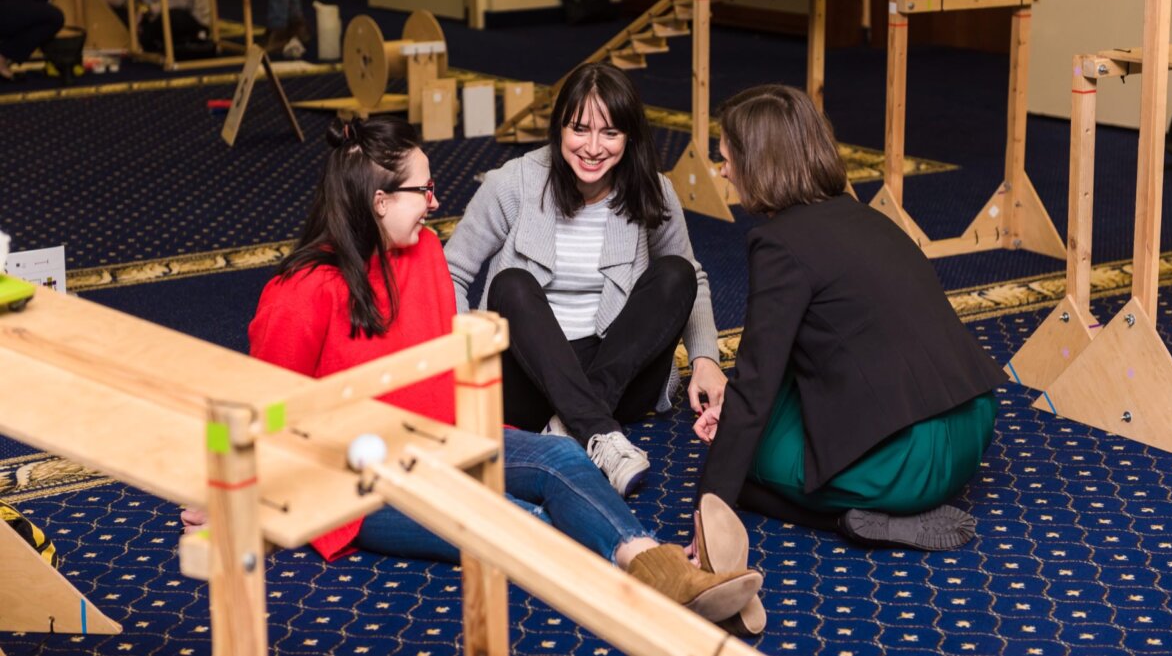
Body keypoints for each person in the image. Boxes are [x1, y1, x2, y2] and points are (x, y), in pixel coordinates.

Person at [184, 114, 763, 624]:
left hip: (446, 443)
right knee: (517, 521)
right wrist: (224, 492)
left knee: (562, 456)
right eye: (423, 190)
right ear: (379, 201)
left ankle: (663, 569)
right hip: (356, 486)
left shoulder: (425, 254)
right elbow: (250, 407)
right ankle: (658, 598)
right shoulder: (300, 293)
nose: (435, 202)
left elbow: (439, 371)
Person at [692, 84, 1004, 563]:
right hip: (971, 429)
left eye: (727, 157)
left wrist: (707, 508)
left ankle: (848, 519)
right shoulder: (870, 218)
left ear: (758, 162)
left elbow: (756, 384)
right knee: (748, 425)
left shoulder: (777, 245)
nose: (724, 170)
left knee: (741, 462)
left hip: (908, 467)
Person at [443, 63, 725, 497]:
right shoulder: (514, 182)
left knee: (677, 274)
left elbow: (694, 281)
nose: (593, 148)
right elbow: (451, 272)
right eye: (580, 129)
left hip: (617, 376)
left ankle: (572, 425)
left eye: (610, 133)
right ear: (559, 129)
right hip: (527, 375)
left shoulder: (652, 189)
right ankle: (596, 431)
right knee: (511, 284)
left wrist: (705, 358)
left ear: (629, 137)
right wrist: (466, 365)